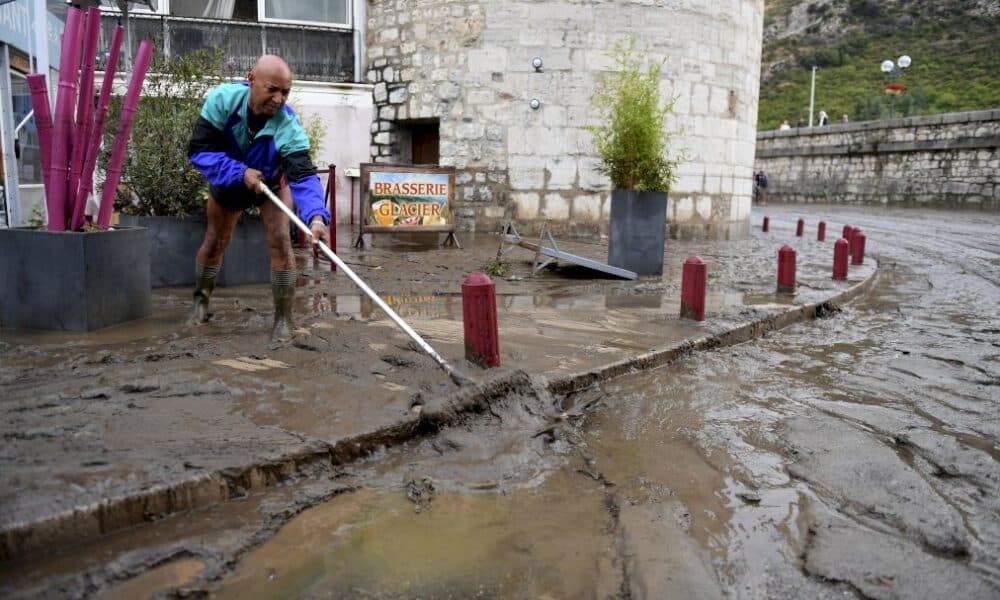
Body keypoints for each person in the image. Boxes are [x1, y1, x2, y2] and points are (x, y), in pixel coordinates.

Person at [187, 54, 331, 341]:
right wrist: (239, 173)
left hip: (272, 185)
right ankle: (200, 306)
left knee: (280, 241)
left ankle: (283, 320)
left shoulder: (288, 125)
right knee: (215, 241)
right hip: (229, 180)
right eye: (272, 89)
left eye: (285, 92)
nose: (279, 99)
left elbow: (302, 175)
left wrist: (315, 216)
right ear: (251, 79)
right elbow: (199, 150)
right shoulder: (222, 101)